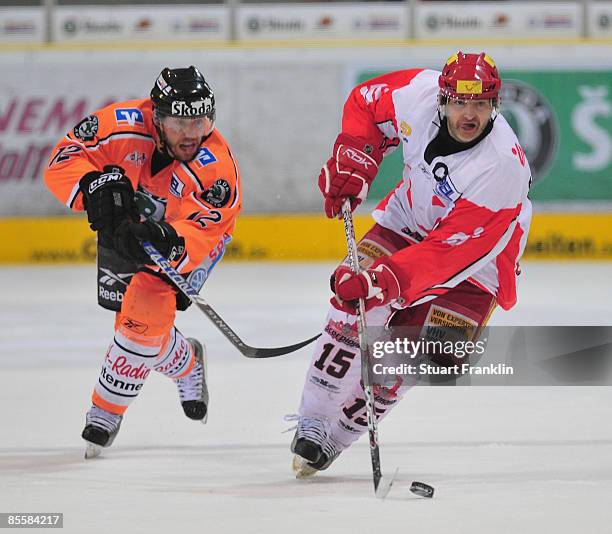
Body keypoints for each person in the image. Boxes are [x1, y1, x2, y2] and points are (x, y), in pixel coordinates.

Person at [290, 51, 532, 477]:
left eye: (480, 105)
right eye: (460, 102)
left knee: (424, 355)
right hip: (409, 219)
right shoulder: (417, 92)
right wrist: (356, 158)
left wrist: (388, 281)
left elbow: (448, 254)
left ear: (495, 106)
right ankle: (313, 420)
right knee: (353, 304)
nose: (469, 114)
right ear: (442, 99)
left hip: (479, 262)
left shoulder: (503, 168)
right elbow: (365, 102)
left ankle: (341, 433)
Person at [45, 66, 242, 458]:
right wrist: (91, 186)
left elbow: (207, 227)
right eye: (180, 121)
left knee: (141, 321)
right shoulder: (119, 125)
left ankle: (104, 411)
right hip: (125, 229)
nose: (192, 132)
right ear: (157, 115)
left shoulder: (213, 167)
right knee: (137, 327)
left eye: (201, 120)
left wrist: (165, 238)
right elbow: (62, 159)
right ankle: (187, 361)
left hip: (187, 243)